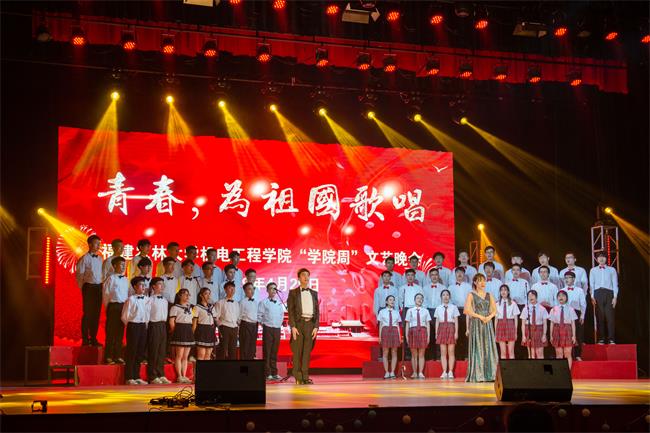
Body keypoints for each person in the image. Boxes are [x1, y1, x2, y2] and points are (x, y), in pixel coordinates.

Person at [288, 268, 319, 385]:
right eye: (303, 275)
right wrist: (293, 326)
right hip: (298, 324)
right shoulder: (293, 293)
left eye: (307, 275)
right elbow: (291, 311)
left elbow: (317, 311)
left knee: (307, 352)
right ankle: (298, 377)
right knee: (297, 352)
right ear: (299, 278)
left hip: (310, 325)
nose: (306, 277)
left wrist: (316, 327)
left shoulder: (314, 293)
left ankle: (305, 377)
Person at [464, 274, 498, 382]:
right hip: (477, 323)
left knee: (488, 347)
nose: (482, 283)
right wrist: (479, 316)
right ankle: (478, 374)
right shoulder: (471, 295)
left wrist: (489, 317)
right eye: (480, 281)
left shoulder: (489, 295)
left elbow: (494, 310)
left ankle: (490, 374)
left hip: (487, 323)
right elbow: (467, 310)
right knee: (478, 347)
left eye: (484, 281)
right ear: (475, 282)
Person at [121, 276, 151, 385]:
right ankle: (129, 377)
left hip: (143, 326)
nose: (143, 287)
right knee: (132, 351)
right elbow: (124, 316)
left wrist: (145, 324)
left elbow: (147, 314)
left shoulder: (147, 299)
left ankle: (137, 376)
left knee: (140, 352)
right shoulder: (131, 299)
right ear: (135, 287)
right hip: (133, 326)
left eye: (144, 285)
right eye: (141, 285)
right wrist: (131, 325)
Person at [76, 234, 104, 347]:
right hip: (88, 288)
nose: (98, 246)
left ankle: (93, 338)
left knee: (96, 315)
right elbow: (79, 275)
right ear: (90, 244)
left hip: (98, 288)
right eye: (96, 244)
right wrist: (84, 288)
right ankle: (85, 339)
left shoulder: (100, 258)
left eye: (99, 244)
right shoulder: (84, 258)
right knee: (87, 314)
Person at [102, 256, 128, 364]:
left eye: (124, 265)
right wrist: (108, 308)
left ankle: (117, 355)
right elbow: (106, 295)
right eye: (121, 264)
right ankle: (108, 356)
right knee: (111, 333)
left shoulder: (126, 279)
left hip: (123, 307)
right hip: (113, 306)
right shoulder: (110, 279)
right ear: (114, 266)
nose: (123, 267)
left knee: (120, 333)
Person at [589, 252, 618, 344]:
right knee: (599, 317)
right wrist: (592, 297)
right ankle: (601, 338)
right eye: (599, 257)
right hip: (598, 293)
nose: (601, 259)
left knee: (610, 317)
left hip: (609, 293)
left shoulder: (612, 270)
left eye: (603, 257)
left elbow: (615, 284)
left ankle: (611, 339)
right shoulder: (593, 270)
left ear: (606, 258)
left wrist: (615, 297)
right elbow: (591, 284)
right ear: (597, 259)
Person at [258, 282, 285, 381]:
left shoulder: (279, 303)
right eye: (271, 288)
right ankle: (267, 373)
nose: (273, 290)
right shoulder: (263, 302)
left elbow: (281, 315)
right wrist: (264, 324)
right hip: (268, 328)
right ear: (267, 290)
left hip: (277, 328)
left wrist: (278, 324)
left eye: (275, 289)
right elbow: (259, 315)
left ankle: (274, 373)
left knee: (274, 351)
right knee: (267, 351)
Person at [169, 288, 197, 383]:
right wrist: (176, 332)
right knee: (179, 355)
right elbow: (171, 322)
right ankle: (179, 376)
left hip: (188, 329)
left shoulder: (190, 307)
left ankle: (184, 375)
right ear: (180, 296)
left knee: (186, 356)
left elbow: (193, 320)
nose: (187, 296)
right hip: (180, 329)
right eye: (185, 294)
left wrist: (192, 330)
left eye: (188, 295)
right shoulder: (175, 307)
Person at [147, 277, 171, 384]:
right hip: (153, 325)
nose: (162, 286)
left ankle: (161, 374)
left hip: (162, 325)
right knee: (154, 351)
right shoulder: (150, 300)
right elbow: (147, 314)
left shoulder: (165, 300)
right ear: (153, 286)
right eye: (160, 284)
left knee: (162, 351)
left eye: (163, 284)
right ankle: (152, 376)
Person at [404, 293, 431, 379]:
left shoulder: (425, 311)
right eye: (418, 298)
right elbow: (407, 324)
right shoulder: (410, 311)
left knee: (421, 354)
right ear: (414, 300)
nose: (419, 300)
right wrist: (407, 336)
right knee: (414, 354)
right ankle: (415, 372)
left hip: (423, 331)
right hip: (413, 332)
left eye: (421, 298)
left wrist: (428, 336)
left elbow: (428, 324)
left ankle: (421, 372)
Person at [549, 290, 578, 369]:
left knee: (567, 353)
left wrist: (574, 336)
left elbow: (573, 323)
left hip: (567, 330)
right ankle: (560, 372)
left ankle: (568, 372)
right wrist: (551, 335)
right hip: (556, 330)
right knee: (559, 354)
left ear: (566, 298)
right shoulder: (553, 309)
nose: (561, 297)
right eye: (559, 296)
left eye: (563, 296)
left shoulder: (571, 309)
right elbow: (552, 323)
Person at [434, 289, 459, 379]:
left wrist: (456, 332)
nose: (445, 296)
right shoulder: (438, 308)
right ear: (441, 297)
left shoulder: (454, 307)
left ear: (450, 297)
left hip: (451, 327)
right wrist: (436, 333)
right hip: (441, 328)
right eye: (443, 295)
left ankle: (451, 371)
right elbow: (437, 321)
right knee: (443, 352)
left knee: (451, 351)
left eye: (447, 295)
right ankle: (444, 371)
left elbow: (456, 321)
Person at [562, 271, 587, 360]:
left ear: (573, 279)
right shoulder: (562, 290)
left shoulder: (579, 290)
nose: (567, 279)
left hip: (576, 313)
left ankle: (577, 355)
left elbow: (583, 304)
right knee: (566, 334)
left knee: (578, 334)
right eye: (565, 278)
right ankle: (567, 355)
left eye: (569, 277)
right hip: (565, 313)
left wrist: (582, 315)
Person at [377, 294, 401, 379]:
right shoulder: (382, 312)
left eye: (393, 300)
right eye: (390, 300)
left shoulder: (396, 312)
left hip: (394, 331)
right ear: (386, 302)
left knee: (394, 352)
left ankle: (392, 372)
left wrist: (399, 336)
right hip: (385, 330)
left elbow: (397, 325)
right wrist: (380, 336)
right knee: (385, 352)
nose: (392, 301)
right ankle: (386, 372)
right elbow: (381, 325)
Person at [215, 282, 240, 360]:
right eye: (230, 288)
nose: (232, 290)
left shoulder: (236, 303)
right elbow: (216, 317)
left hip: (234, 328)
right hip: (224, 327)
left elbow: (238, 317)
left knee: (233, 350)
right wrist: (220, 327)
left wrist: (237, 328)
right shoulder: (220, 302)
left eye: (233, 288)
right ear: (225, 290)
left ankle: (232, 366)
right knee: (223, 349)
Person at [450, 267, 472, 359]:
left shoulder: (468, 286)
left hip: (465, 311)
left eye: (461, 273)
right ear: (455, 274)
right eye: (458, 272)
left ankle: (466, 355)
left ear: (464, 275)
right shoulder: (451, 287)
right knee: (456, 333)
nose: (459, 274)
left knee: (466, 333)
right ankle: (457, 356)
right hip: (455, 311)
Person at [520, 290, 548, 360]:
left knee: (540, 353)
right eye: (529, 296)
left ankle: (541, 367)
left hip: (539, 330)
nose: (530, 297)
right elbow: (523, 324)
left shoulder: (542, 309)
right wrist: (523, 335)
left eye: (532, 295)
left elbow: (545, 324)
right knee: (531, 353)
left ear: (536, 297)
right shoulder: (525, 309)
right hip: (529, 330)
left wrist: (544, 335)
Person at [495, 285, 520, 360]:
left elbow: (516, 319)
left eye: (505, 290)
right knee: (503, 352)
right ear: (500, 292)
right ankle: (504, 367)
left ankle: (511, 367)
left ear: (508, 292)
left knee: (511, 351)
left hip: (510, 324)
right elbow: (496, 319)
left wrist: (515, 332)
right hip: (500, 325)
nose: (503, 292)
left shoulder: (513, 303)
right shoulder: (497, 304)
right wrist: (495, 332)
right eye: (501, 290)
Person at [195, 287, 217, 361]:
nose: (208, 296)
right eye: (206, 294)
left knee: (208, 355)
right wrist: (193, 333)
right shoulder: (197, 307)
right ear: (201, 295)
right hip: (201, 330)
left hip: (210, 330)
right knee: (201, 355)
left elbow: (215, 319)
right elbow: (194, 322)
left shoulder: (212, 307)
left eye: (209, 294)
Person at [239, 283, 259, 360]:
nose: (252, 291)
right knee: (245, 347)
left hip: (254, 326)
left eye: (253, 289)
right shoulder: (242, 302)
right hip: (245, 325)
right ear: (245, 291)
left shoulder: (256, 302)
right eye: (249, 289)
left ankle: (251, 365)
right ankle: (244, 365)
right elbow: (239, 316)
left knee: (252, 347)